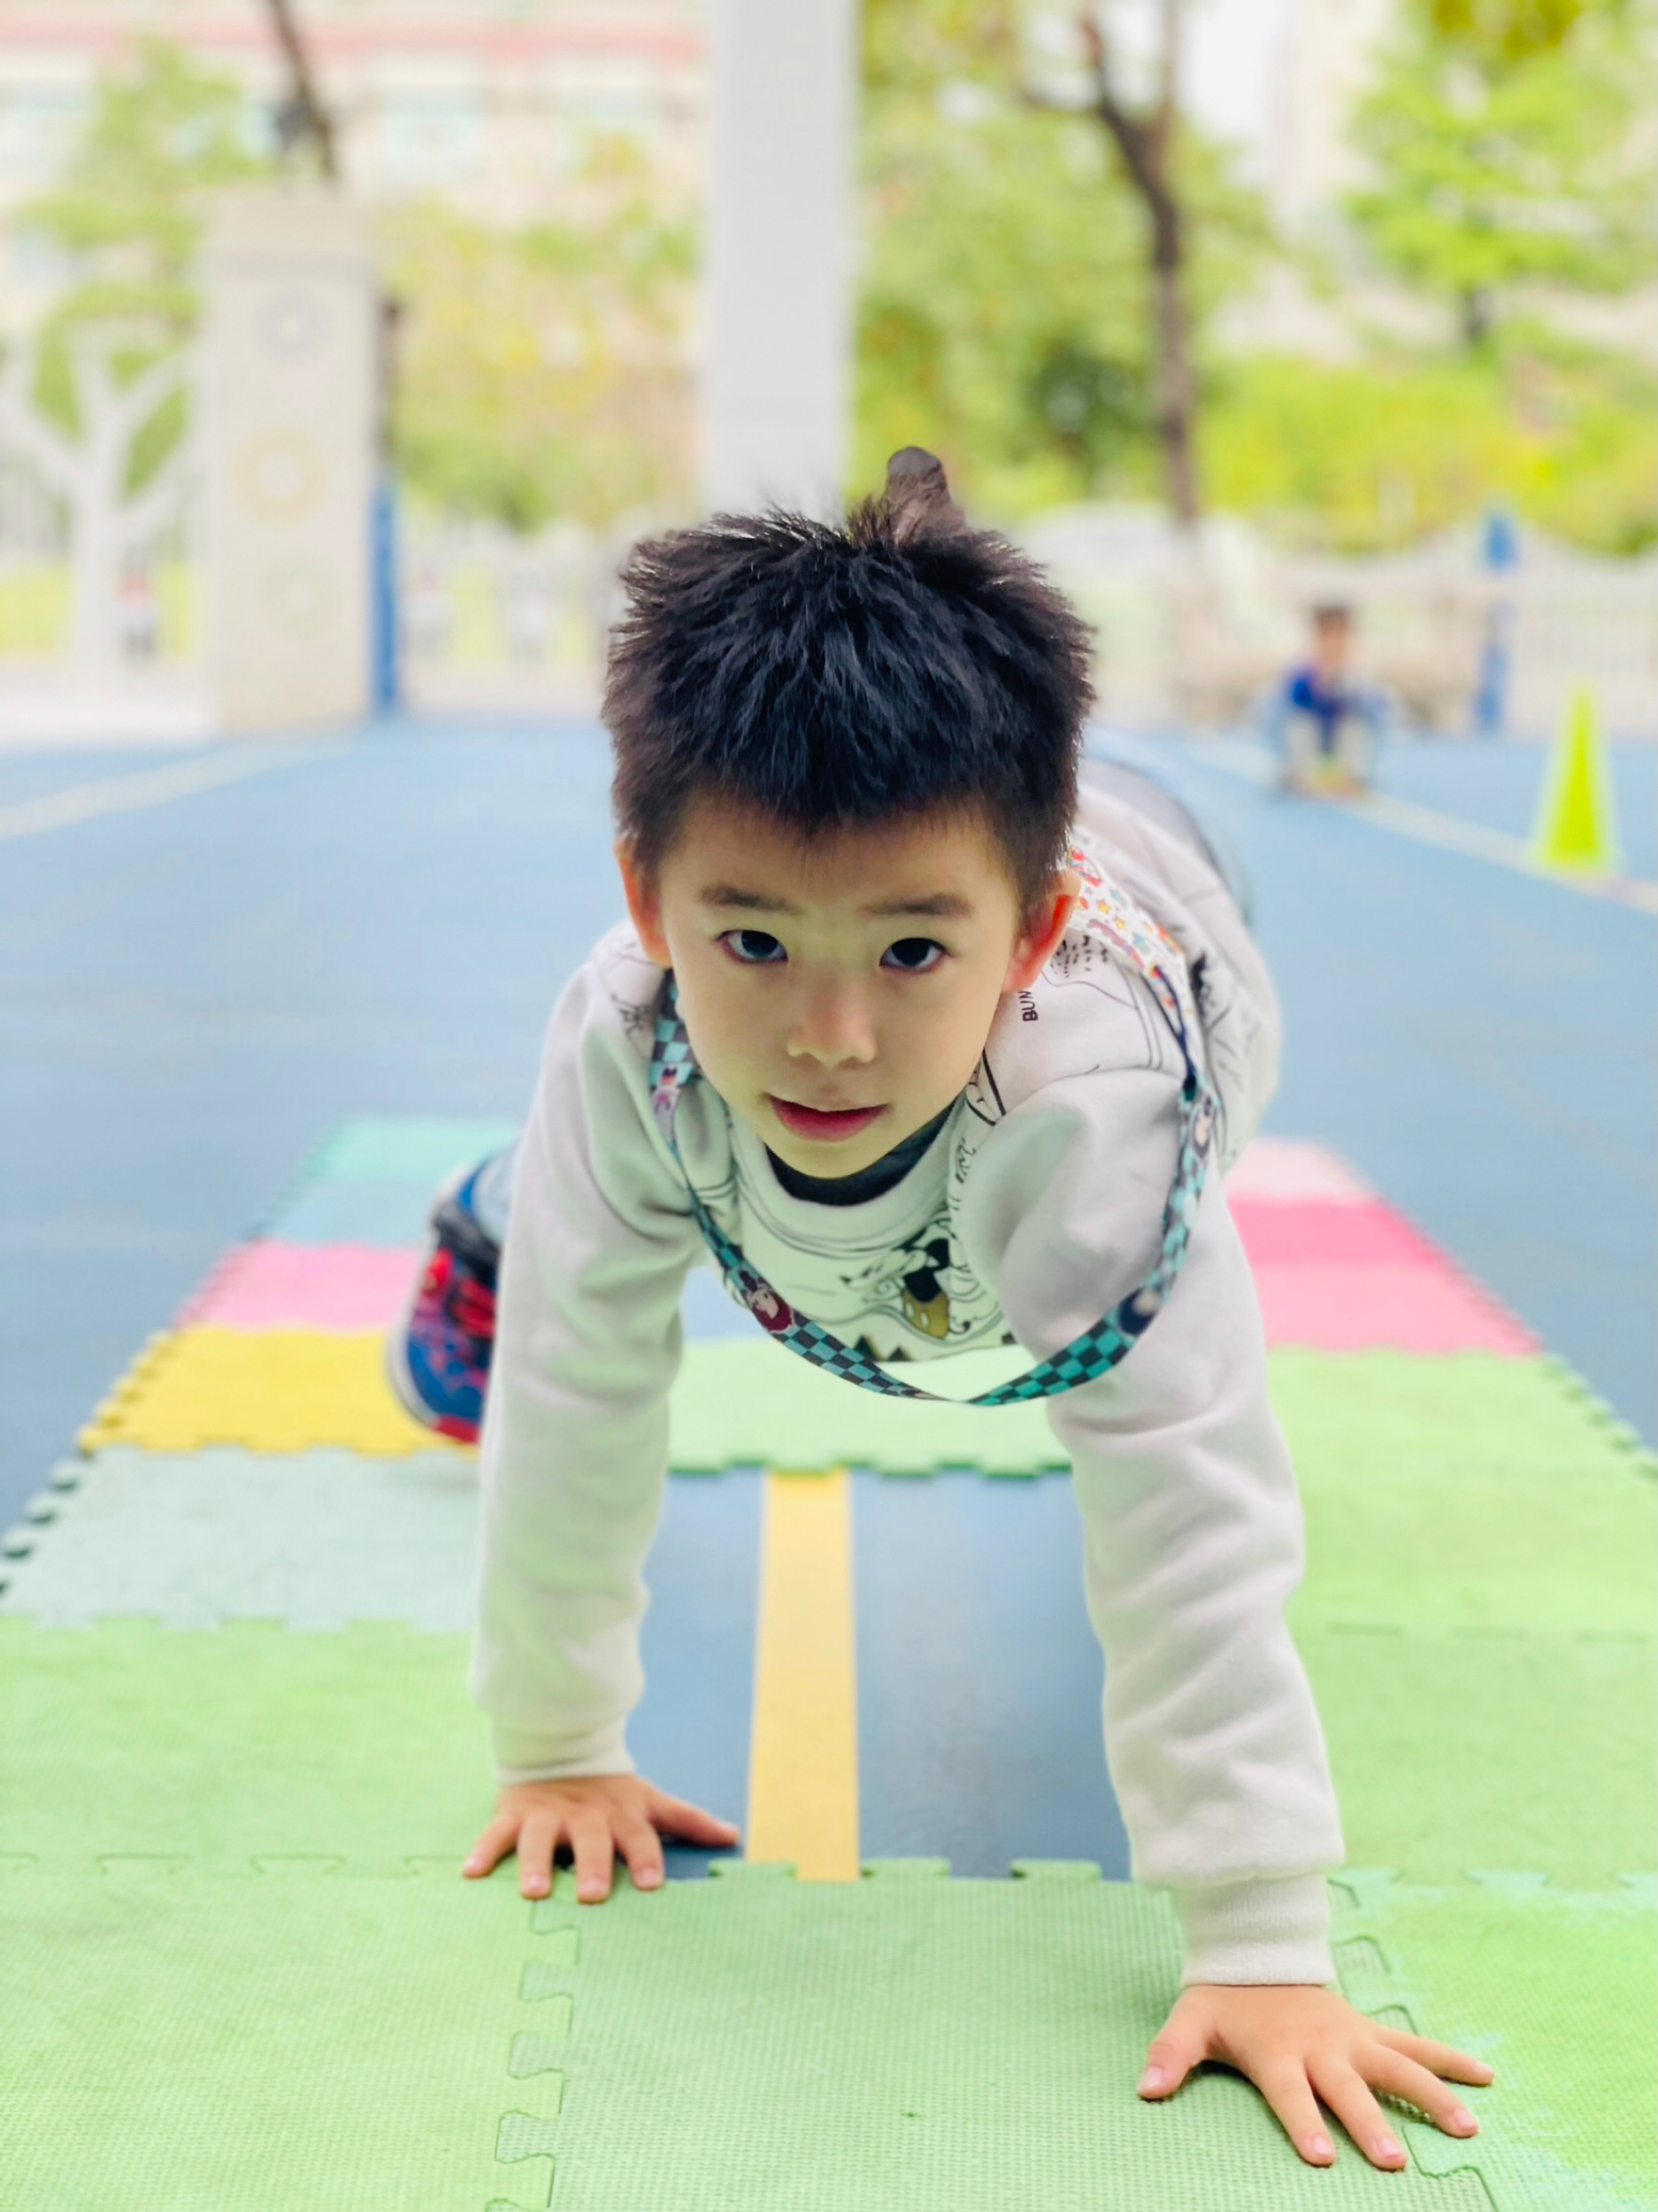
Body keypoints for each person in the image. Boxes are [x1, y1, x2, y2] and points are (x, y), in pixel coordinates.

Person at [386, 449, 1493, 2174]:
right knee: (583, 1202)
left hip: (1166, 880)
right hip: (748, 1133)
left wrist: (1259, 1937)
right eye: (750, 943)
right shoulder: (628, 1037)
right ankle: (491, 1209)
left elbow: (1189, 1501)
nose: (829, 1036)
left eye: (909, 955)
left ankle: (950, 666)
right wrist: (555, 1739)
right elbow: (575, 1384)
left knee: (1083, 1316)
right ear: (648, 904)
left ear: (1027, 936)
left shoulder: (1099, 1132)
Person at [1269, 603, 1381, 797]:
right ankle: (1299, 774)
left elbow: (1373, 711)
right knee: (1298, 724)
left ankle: (1352, 777)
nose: (1334, 642)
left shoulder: (1358, 668)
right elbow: (1291, 702)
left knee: (1356, 727)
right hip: (1313, 741)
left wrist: (1346, 689)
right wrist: (1318, 683)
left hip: (1340, 742)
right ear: (1318, 636)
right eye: (1328, 635)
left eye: (1341, 635)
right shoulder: (1304, 666)